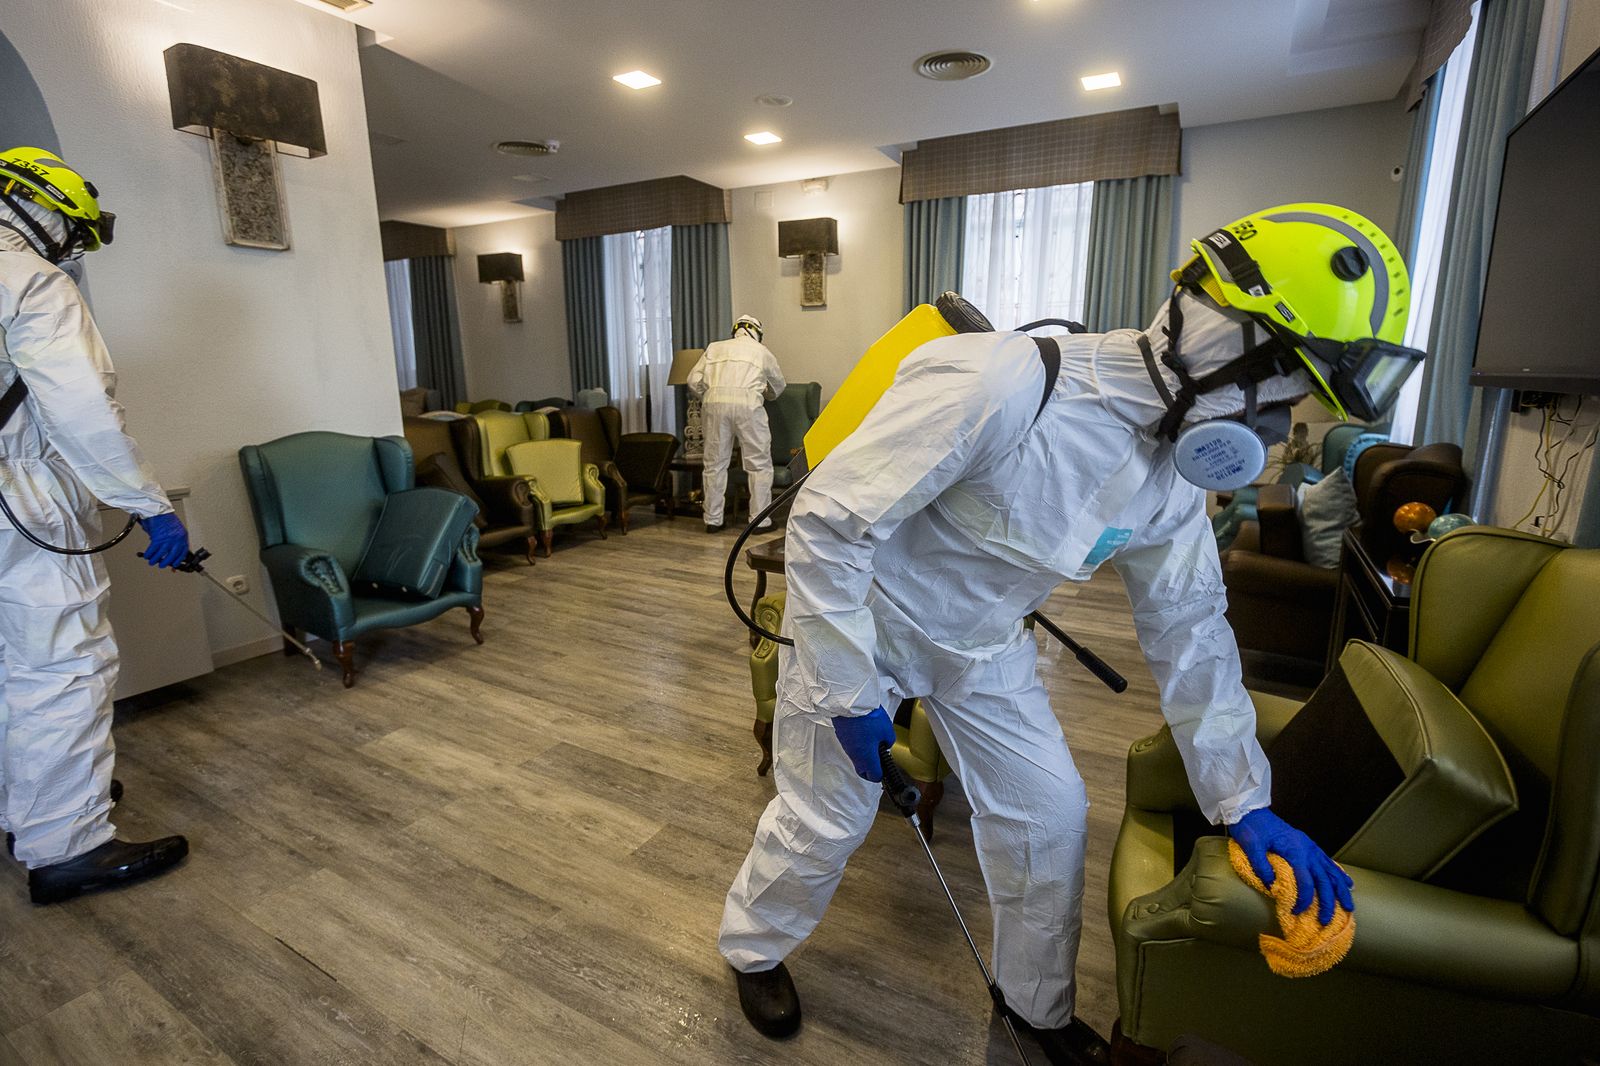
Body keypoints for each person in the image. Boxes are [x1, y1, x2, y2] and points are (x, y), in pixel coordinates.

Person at [720, 204, 1419, 1065]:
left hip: (983, 649)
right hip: (867, 625)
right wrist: (848, 691)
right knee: (829, 817)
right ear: (1225, 335)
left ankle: (1033, 1012)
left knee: (1050, 816)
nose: (1277, 429)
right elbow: (826, 524)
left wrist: (1246, 803)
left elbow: (1192, 632)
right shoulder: (1007, 383)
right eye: (1287, 391)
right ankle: (753, 948)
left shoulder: (1169, 483)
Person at [0, 147, 190, 905]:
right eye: (74, 235)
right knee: (62, 671)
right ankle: (68, 848)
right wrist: (149, 504)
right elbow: (80, 415)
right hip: (17, 502)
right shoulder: (30, 281)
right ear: (46, 208)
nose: (71, 251)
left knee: (12, 671)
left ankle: (36, 810)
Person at [688, 314, 786, 533]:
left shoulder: (714, 348)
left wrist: (710, 394)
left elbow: (693, 380)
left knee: (714, 463)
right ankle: (759, 521)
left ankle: (713, 521)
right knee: (758, 464)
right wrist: (764, 392)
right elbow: (779, 386)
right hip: (748, 404)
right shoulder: (762, 352)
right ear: (757, 332)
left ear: (735, 331)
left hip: (714, 404)